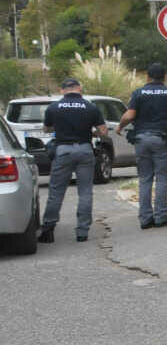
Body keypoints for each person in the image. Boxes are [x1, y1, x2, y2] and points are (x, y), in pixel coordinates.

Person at [116, 63, 167, 230]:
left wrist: (119, 127)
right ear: (164, 77)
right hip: (161, 140)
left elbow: (130, 115)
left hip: (141, 140)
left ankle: (145, 219)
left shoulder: (139, 93)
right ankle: (160, 216)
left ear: (147, 77)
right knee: (161, 179)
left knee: (145, 179)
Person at [38, 78, 108, 244]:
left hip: (63, 150)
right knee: (85, 192)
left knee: (56, 192)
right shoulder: (90, 107)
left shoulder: (54, 107)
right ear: (79, 89)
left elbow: (47, 129)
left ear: (63, 90)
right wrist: (91, 133)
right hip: (84, 149)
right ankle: (82, 232)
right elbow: (103, 132)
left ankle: (48, 230)